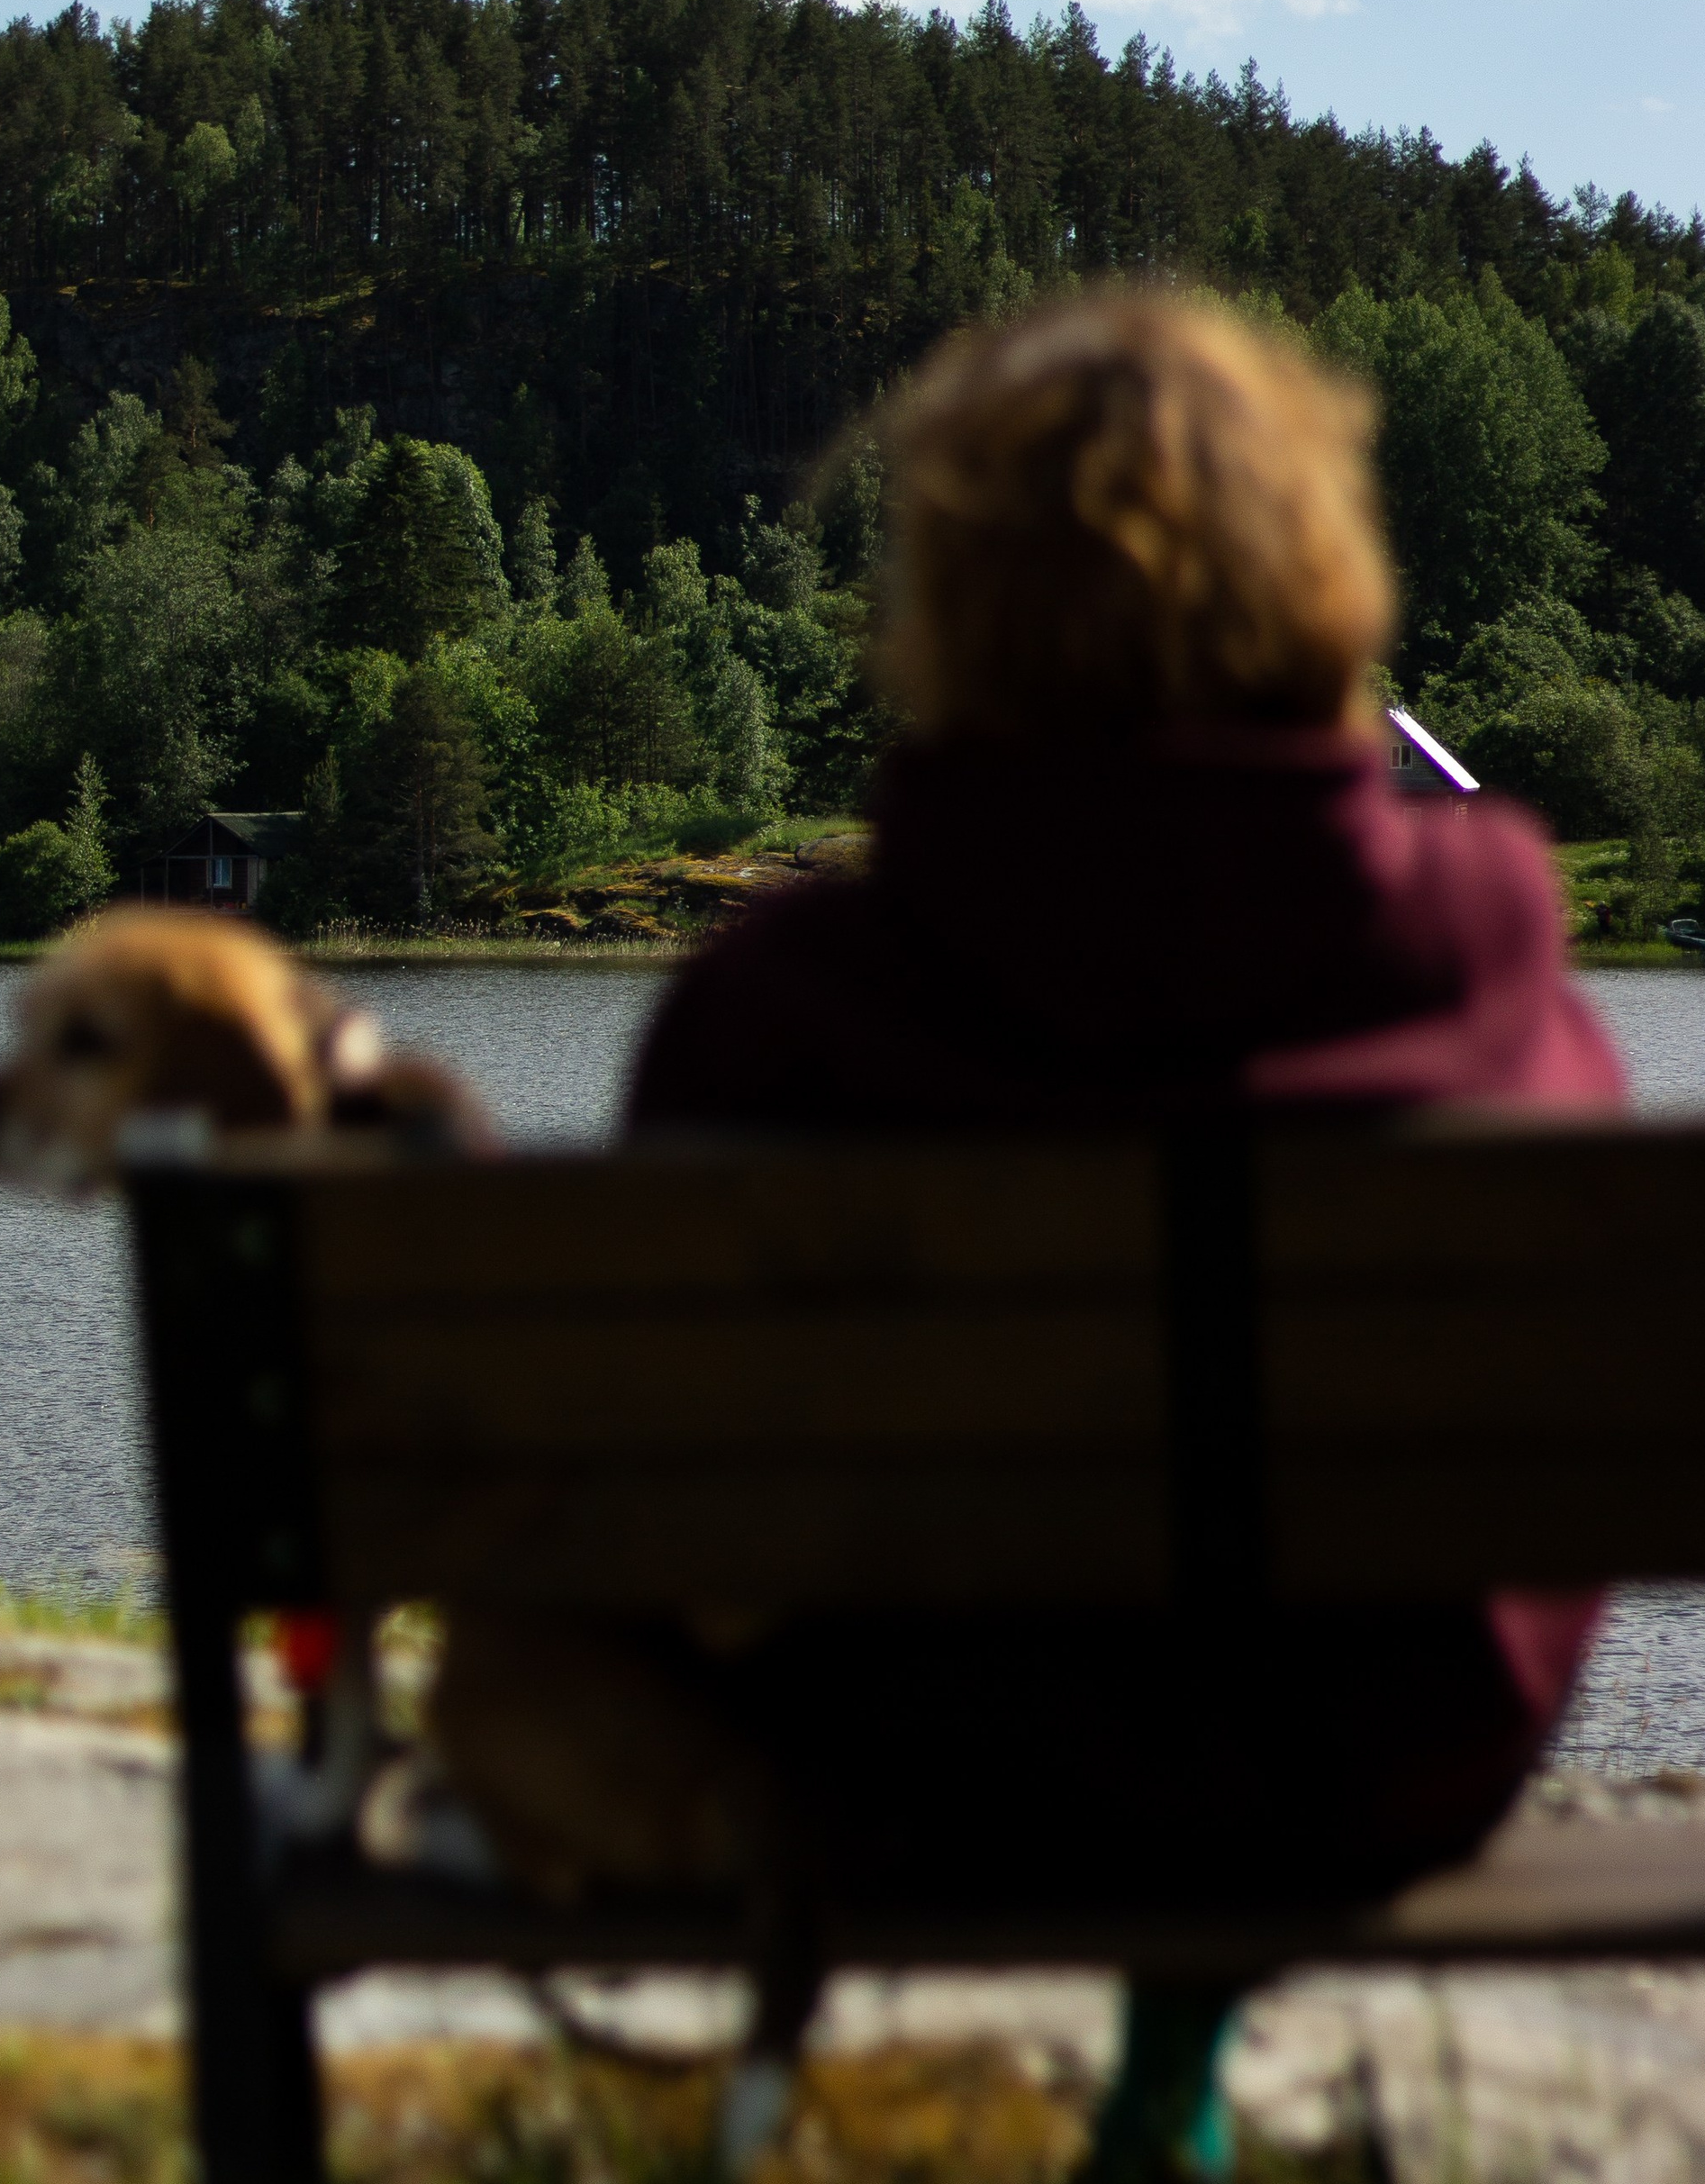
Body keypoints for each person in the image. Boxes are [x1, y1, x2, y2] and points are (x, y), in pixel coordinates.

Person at [627, 295, 1623, 1911]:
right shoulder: (1497, 966)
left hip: (919, 1766)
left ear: (952, 600)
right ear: (1319, 579)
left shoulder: (783, 1005)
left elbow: (675, 1482)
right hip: (1394, 1764)